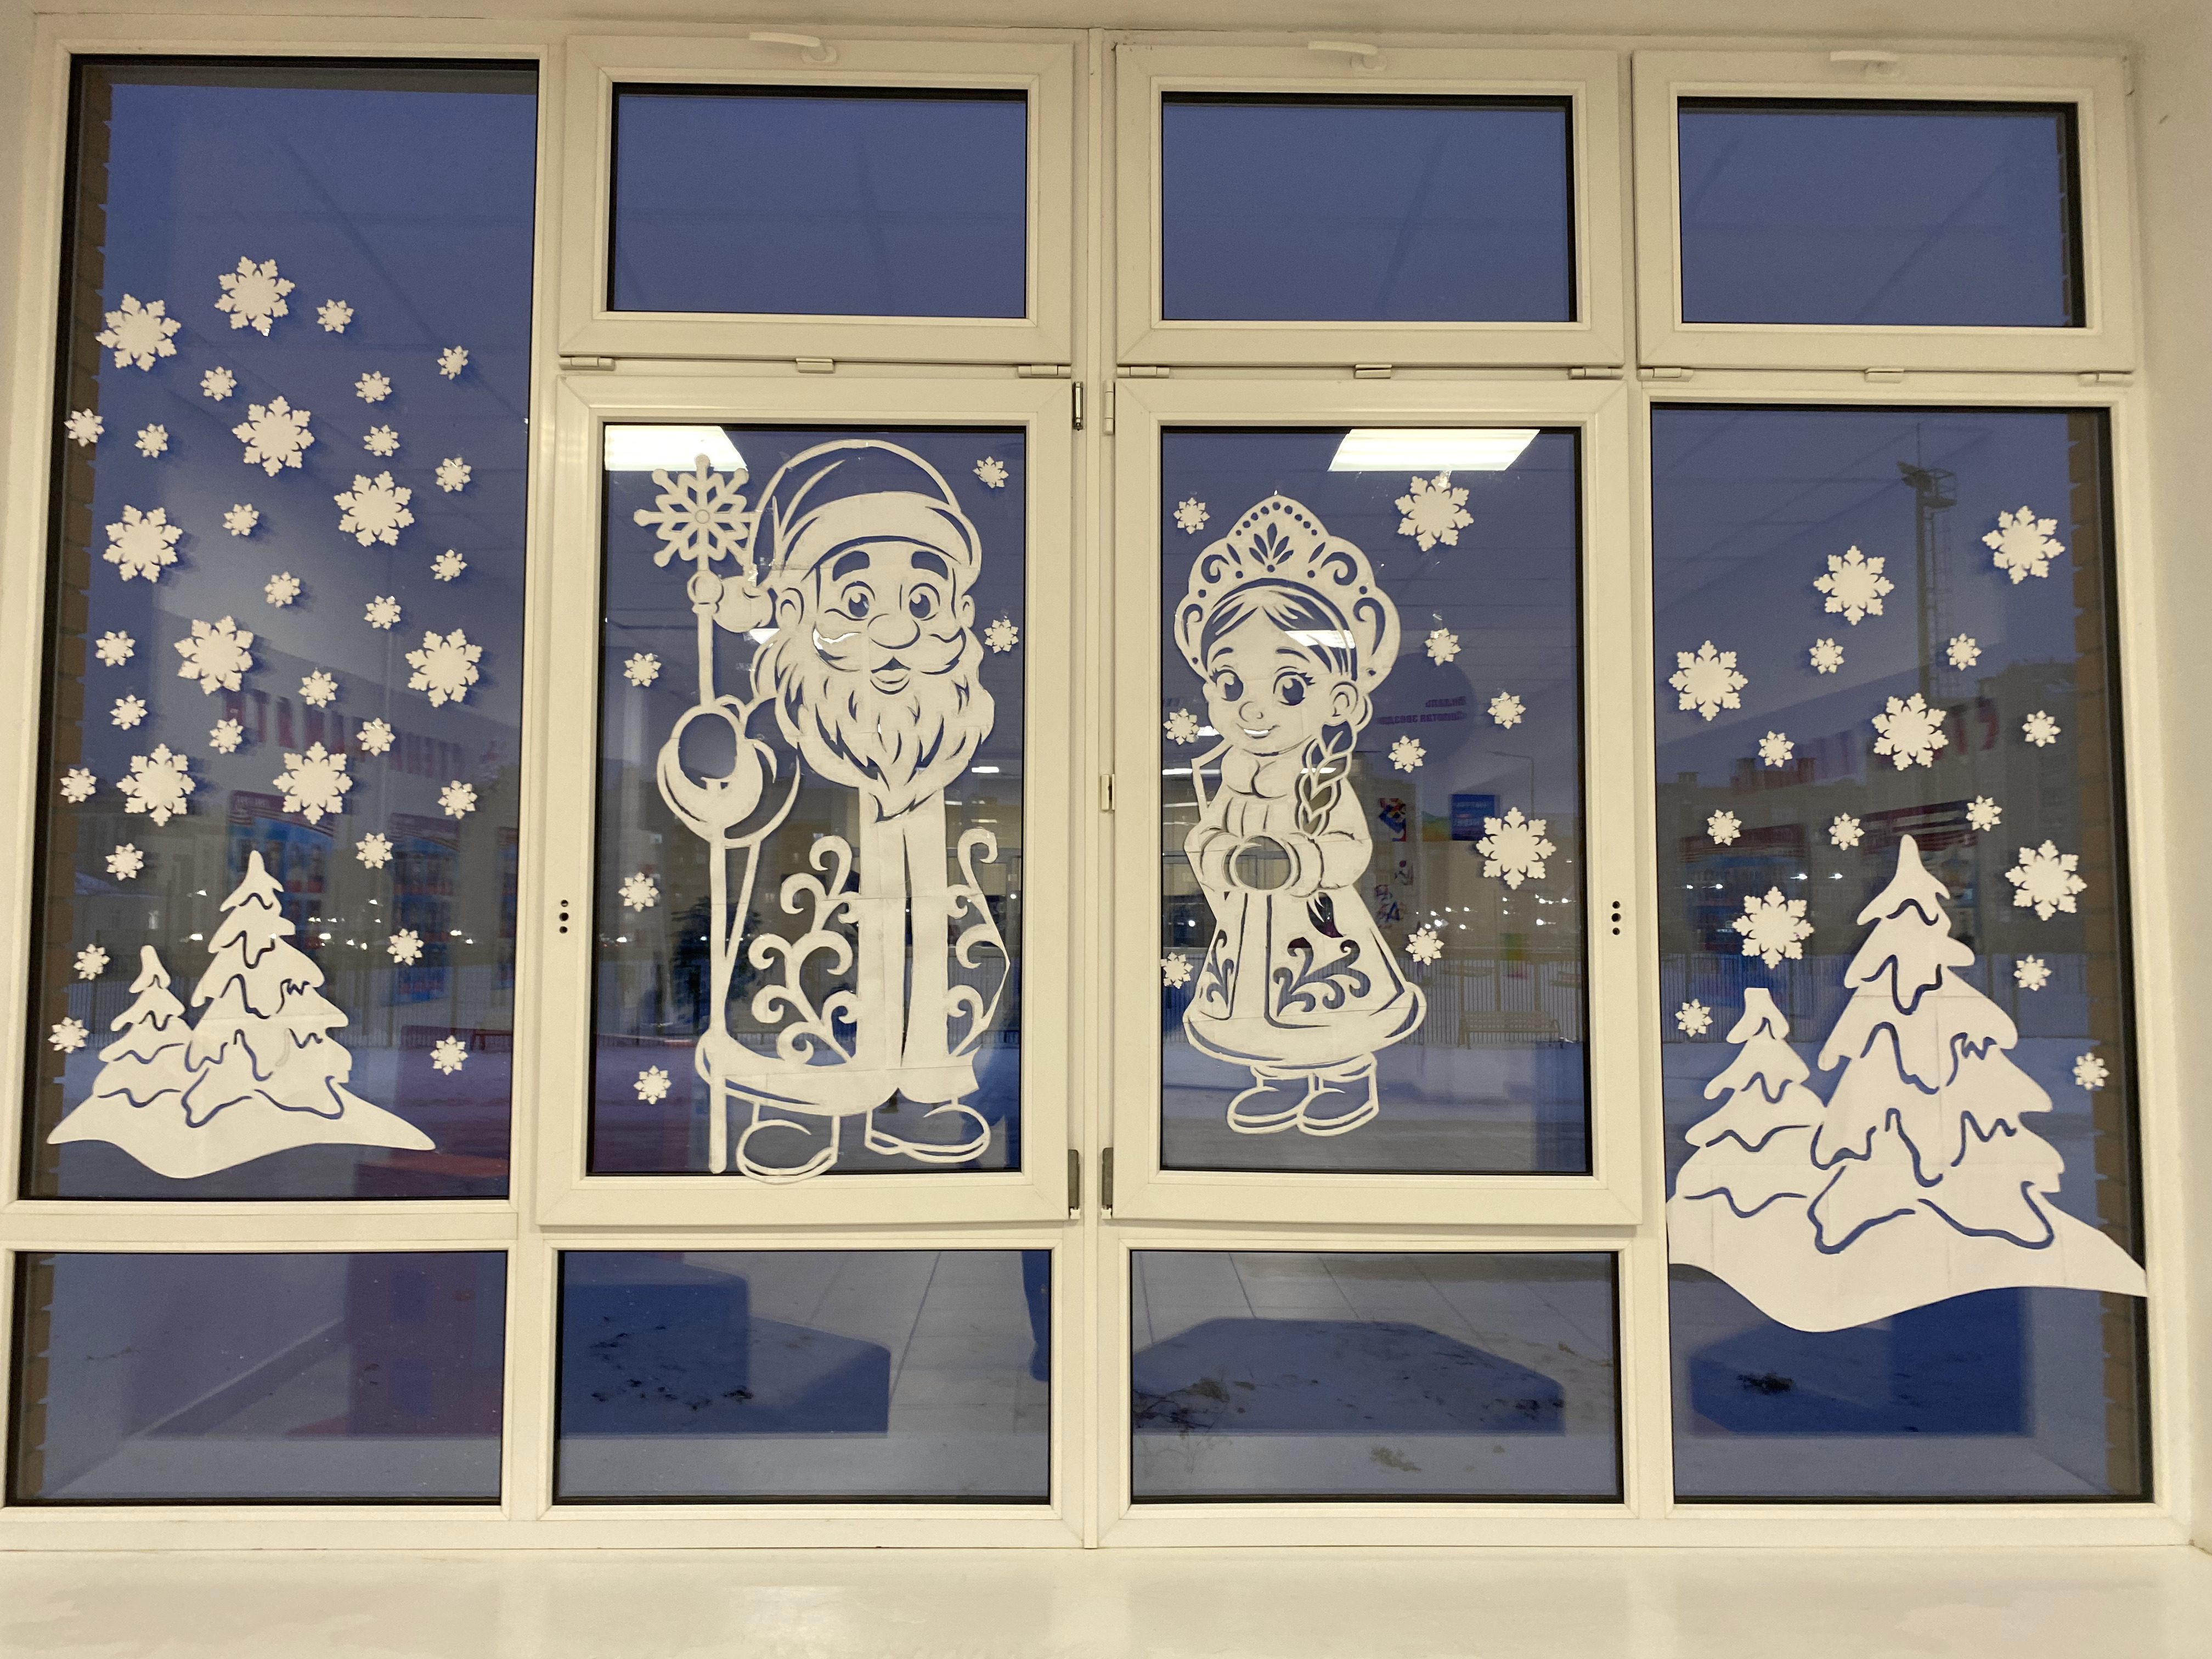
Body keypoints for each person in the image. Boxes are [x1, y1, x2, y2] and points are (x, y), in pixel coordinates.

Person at [1173, 495, 1424, 1136]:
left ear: (1337, 701)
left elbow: (1350, 848)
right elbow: (1205, 836)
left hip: (1317, 925)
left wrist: (1297, 861)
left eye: (1287, 688)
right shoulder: (1234, 779)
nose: (1252, 710)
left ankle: (1344, 1078)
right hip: (1247, 920)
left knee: (1324, 1007)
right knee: (1255, 1005)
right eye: (1233, 685)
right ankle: (1277, 1079)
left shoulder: (1321, 779)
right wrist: (1222, 857)